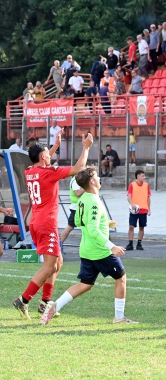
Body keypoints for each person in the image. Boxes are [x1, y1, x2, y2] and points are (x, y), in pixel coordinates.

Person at [40, 167, 137, 325]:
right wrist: (111, 246)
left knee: (85, 284)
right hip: (99, 251)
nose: (99, 178)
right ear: (92, 181)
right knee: (121, 277)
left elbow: (79, 222)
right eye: (97, 176)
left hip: (86, 249)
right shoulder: (94, 201)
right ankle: (119, 318)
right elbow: (92, 229)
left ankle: (55, 306)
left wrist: (105, 223)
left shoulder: (82, 199)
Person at [12, 133, 93, 321]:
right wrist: (86, 147)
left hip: (36, 222)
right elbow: (78, 168)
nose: (51, 156)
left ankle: (45, 302)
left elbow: (42, 162)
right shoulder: (49, 173)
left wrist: (54, 146)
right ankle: (23, 300)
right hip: (46, 223)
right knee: (49, 267)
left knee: (58, 263)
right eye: (48, 154)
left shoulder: (30, 171)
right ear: (43, 157)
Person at [59, 176, 85, 254]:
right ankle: (58, 246)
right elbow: (77, 193)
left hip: (81, 206)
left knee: (85, 227)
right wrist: (87, 187)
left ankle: (58, 246)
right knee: (70, 227)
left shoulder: (79, 179)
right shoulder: (75, 180)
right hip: (76, 208)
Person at [126, 170, 151, 251]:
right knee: (131, 226)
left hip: (143, 209)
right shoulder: (132, 185)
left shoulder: (146, 185)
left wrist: (149, 208)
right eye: (142, 176)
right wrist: (132, 204)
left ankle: (139, 243)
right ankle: (130, 243)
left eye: (144, 176)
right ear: (138, 176)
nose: (144, 177)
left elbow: (148, 198)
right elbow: (129, 196)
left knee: (141, 227)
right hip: (134, 210)